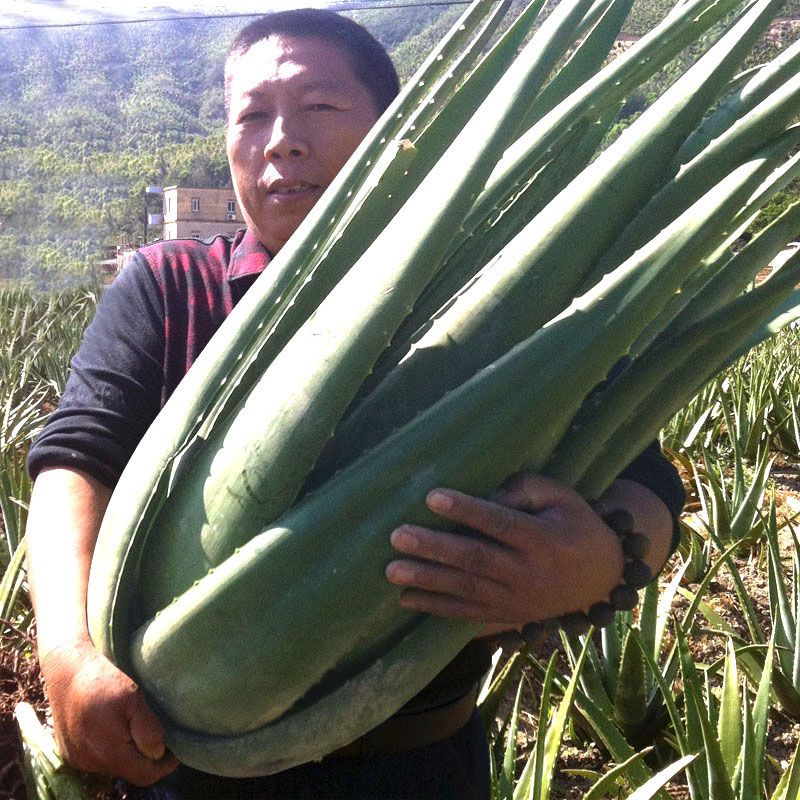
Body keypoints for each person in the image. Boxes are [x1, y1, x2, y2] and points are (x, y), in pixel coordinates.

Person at [24, 9, 685, 799]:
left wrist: (601, 558)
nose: (281, 141)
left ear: (395, 133)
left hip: (419, 765)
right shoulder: (170, 286)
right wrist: (65, 648)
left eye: (320, 107)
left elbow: (647, 486)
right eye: (252, 116)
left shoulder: (498, 309)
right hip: (179, 769)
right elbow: (74, 458)